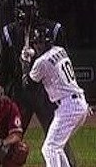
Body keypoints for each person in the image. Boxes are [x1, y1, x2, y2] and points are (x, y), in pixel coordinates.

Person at [0, 0, 76, 166]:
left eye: (29, 12)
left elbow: (64, 64)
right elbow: (3, 65)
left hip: (46, 91)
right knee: (12, 133)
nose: (26, 16)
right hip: (20, 90)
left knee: (56, 136)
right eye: (22, 12)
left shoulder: (53, 29)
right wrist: (2, 86)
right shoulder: (9, 31)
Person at [21, 27, 91, 167]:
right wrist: (33, 54)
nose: (38, 45)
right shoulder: (60, 50)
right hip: (79, 104)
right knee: (57, 147)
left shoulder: (40, 63)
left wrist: (25, 62)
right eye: (37, 43)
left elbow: (28, 84)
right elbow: (46, 57)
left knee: (50, 148)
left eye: (39, 43)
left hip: (68, 107)